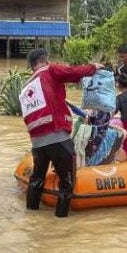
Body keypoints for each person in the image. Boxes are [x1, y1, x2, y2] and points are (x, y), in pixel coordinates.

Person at [21, 48, 103, 217]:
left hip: (37, 143)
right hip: (58, 138)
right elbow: (73, 72)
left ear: (31, 66)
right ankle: (61, 221)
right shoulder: (50, 70)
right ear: (46, 60)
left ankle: (31, 215)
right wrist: (93, 67)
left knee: (37, 180)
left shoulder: (29, 84)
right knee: (67, 183)